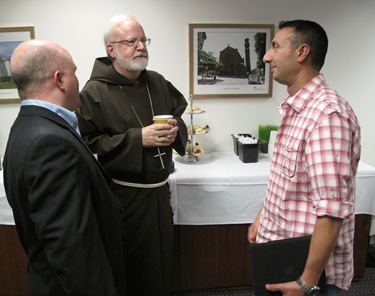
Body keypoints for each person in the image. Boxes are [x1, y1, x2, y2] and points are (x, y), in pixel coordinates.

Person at [3, 40, 127, 296]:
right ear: (59, 79)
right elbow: (74, 252)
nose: (78, 82)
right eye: (75, 72)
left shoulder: (25, 127)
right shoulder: (50, 144)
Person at [76, 14, 188, 295]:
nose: (141, 47)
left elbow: (178, 115)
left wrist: (176, 129)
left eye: (143, 40)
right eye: (131, 42)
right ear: (111, 50)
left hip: (160, 194)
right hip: (125, 199)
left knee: (162, 259)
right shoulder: (94, 92)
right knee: (135, 266)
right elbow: (88, 144)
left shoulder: (157, 81)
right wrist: (138, 138)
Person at [247, 20, 361, 296]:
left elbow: (331, 210)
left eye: (275, 47)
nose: (266, 56)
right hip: (283, 254)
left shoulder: (326, 116)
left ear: (302, 53)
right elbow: (291, 180)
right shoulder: (298, 109)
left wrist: (307, 282)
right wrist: (264, 216)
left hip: (307, 273)